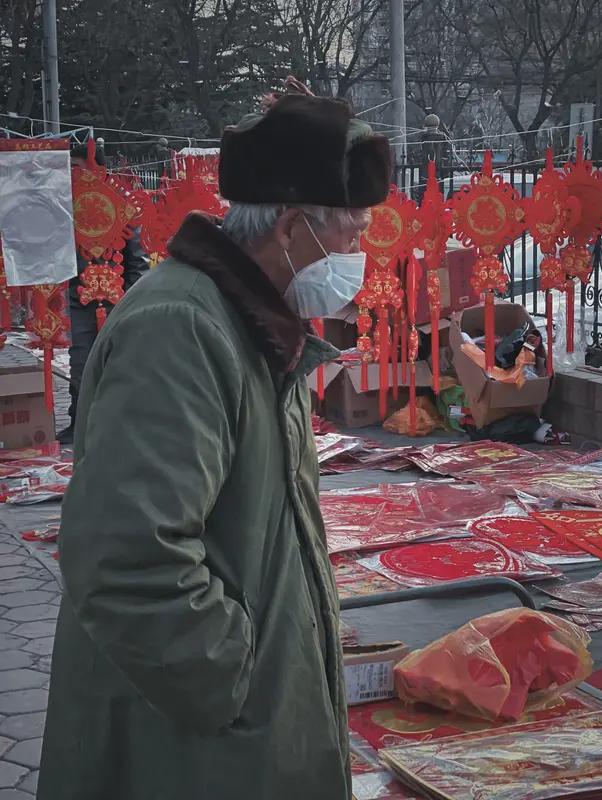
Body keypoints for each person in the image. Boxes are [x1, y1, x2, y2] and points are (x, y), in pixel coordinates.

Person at [38, 90, 391, 799]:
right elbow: (128, 557)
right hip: (189, 744)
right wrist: (235, 680)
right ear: (293, 228)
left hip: (233, 734)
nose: (359, 257)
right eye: (352, 236)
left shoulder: (259, 326)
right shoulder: (183, 328)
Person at [58, 142, 150, 445]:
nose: (75, 173)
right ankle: (79, 422)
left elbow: (137, 260)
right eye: (70, 167)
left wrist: (134, 302)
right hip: (77, 298)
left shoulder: (120, 206)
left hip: (117, 302)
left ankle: (121, 423)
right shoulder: (62, 207)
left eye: (79, 166)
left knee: (120, 361)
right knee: (81, 361)